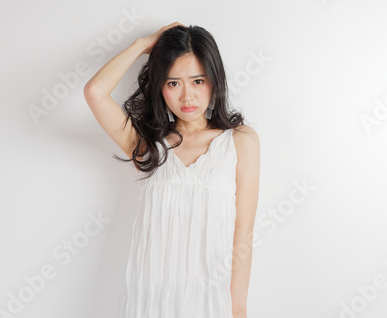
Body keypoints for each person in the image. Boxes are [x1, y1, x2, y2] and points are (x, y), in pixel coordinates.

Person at [83, 22, 260, 318]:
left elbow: (243, 232)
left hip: (210, 301)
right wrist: (142, 44)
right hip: (150, 301)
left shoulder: (240, 141)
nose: (187, 96)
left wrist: (238, 307)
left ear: (215, 81)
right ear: (160, 87)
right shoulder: (147, 145)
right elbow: (95, 92)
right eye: (173, 83)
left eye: (198, 81)